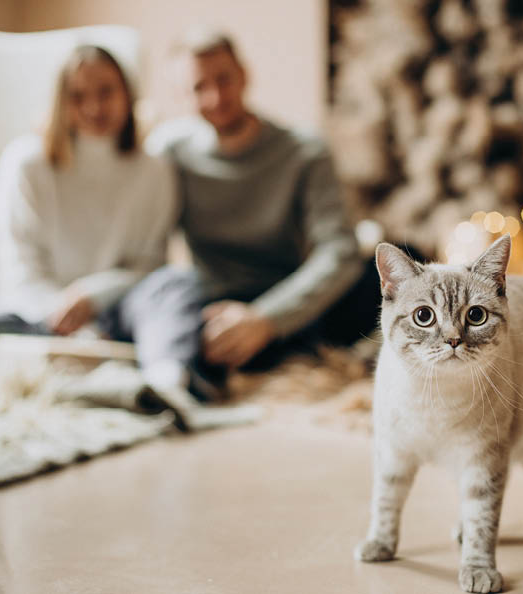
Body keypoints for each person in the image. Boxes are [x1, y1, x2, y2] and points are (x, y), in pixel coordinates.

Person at [131, 31, 378, 401]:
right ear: (183, 95)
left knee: (379, 275)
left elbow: (337, 251)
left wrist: (266, 319)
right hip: (213, 305)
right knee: (167, 304)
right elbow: (142, 235)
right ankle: (179, 380)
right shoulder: (169, 150)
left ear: (244, 75)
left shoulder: (304, 151)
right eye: (199, 87)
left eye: (224, 79)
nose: (215, 97)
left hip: (290, 300)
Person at [0, 45, 177, 362]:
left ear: (128, 94)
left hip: (118, 312)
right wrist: (64, 314)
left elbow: (149, 266)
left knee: (175, 293)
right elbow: (20, 270)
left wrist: (92, 298)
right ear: (60, 101)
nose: (94, 107)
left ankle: (162, 381)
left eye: (106, 92)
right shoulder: (26, 164)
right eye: (78, 96)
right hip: (41, 316)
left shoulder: (155, 168)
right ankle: (107, 376)